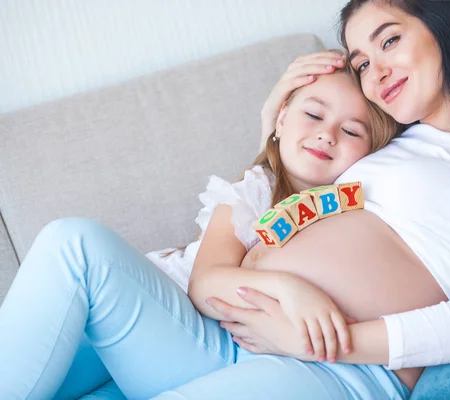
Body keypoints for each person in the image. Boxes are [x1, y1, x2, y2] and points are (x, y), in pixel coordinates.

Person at [187, 0, 450, 396]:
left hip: (330, 363)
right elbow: (285, 185)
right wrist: (273, 114)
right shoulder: (382, 138)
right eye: (362, 64)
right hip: (241, 331)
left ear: (442, 27)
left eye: (388, 41)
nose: (376, 73)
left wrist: (312, 340)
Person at [0, 67, 401, 399]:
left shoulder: (353, 213)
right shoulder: (255, 189)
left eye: (351, 131)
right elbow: (206, 281)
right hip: (159, 304)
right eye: (313, 116)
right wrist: (290, 289)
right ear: (280, 120)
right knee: (66, 267)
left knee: (74, 246)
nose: (327, 134)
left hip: (194, 339)